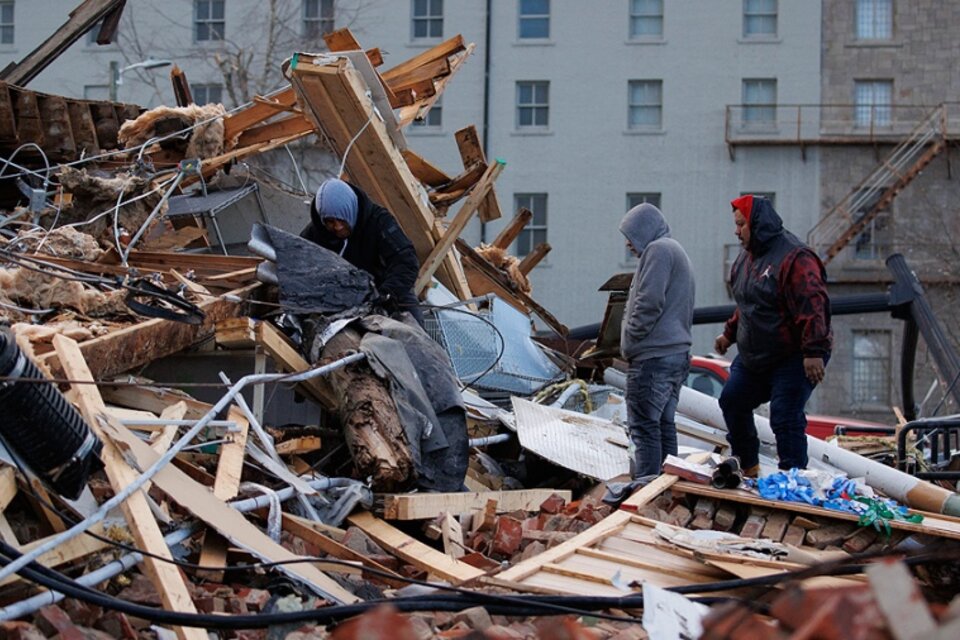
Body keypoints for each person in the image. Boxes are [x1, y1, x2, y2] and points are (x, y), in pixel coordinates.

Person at [714, 195, 832, 476]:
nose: (736, 231)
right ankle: (747, 467)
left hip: (794, 354)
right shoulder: (746, 260)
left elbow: (813, 306)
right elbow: (749, 304)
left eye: (741, 225)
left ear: (756, 224)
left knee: (785, 415)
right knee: (732, 400)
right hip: (756, 355)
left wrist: (813, 351)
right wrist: (729, 334)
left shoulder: (795, 258)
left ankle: (793, 478)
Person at [619, 203, 695, 482]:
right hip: (675, 355)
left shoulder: (658, 250)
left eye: (631, 236)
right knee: (663, 426)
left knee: (644, 429)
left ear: (645, 231)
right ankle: (666, 491)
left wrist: (631, 338)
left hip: (654, 358)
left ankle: (647, 493)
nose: (628, 244)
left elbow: (648, 303)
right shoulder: (674, 250)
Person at [301, 177, 424, 326]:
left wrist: (385, 294)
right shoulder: (315, 233)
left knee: (414, 330)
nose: (338, 227)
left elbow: (406, 261)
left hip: (386, 294)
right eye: (330, 222)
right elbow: (298, 262)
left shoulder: (380, 222)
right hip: (340, 300)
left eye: (342, 219)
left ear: (350, 209)